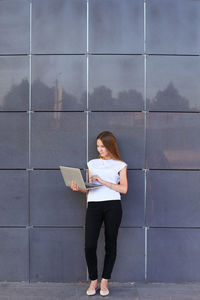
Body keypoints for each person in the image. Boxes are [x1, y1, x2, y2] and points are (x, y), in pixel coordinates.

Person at [70, 131, 128, 296]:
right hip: (94, 206)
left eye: (103, 146)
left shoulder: (120, 164)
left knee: (110, 245)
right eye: (98, 146)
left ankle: (104, 281)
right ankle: (93, 280)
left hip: (113, 206)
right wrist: (79, 188)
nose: (100, 149)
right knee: (89, 245)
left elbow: (124, 189)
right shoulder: (92, 163)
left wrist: (103, 181)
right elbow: (89, 190)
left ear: (110, 146)